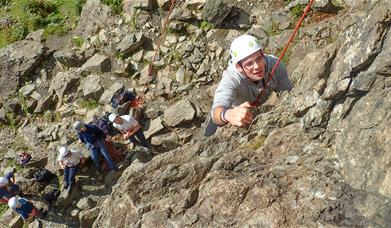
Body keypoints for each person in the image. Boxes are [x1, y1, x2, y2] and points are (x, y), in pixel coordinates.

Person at [205, 34, 293, 136]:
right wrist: (228, 114)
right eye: (249, 64)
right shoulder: (231, 79)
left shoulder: (275, 65)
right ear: (239, 67)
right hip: (228, 117)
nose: (257, 66)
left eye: (259, 59)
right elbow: (216, 112)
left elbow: (287, 93)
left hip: (253, 113)